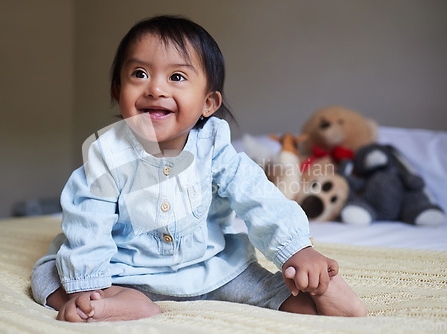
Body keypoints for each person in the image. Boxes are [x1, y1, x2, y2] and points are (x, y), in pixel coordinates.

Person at [31, 15, 367, 322]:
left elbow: (258, 197)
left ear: (208, 103)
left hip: (213, 266)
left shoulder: (215, 150)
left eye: (176, 77)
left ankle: (318, 291)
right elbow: (87, 220)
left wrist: (297, 249)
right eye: (139, 74)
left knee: (277, 288)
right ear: (118, 92)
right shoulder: (108, 154)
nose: (155, 88)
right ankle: (114, 302)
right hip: (125, 271)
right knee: (50, 274)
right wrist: (86, 283)